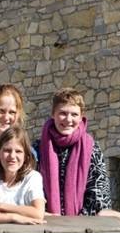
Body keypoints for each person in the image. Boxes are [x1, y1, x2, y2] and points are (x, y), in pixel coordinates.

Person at [35, 87, 111, 215]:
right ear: (53, 114)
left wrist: (77, 224)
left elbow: (99, 194)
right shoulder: (37, 149)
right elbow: (29, 188)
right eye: (63, 113)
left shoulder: (91, 148)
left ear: (81, 117)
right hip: (45, 224)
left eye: (74, 114)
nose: (68, 119)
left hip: (83, 227)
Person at [0, 126, 45, 225]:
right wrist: (13, 217)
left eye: (18, 151)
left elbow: (38, 213)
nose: (12, 156)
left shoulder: (33, 178)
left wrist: (0, 207)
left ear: (26, 156)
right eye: (7, 150)